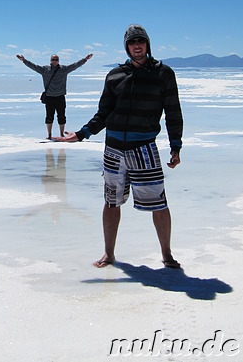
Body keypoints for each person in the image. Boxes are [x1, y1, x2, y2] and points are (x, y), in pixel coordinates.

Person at [57, 24, 183, 269]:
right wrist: (82, 134)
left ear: (147, 45)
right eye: (132, 42)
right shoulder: (115, 76)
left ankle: (166, 254)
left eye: (141, 41)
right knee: (111, 201)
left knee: (158, 202)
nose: (137, 45)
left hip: (144, 148)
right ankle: (109, 254)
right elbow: (103, 113)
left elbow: (173, 112)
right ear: (127, 46)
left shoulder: (163, 74)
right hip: (114, 150)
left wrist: (175, 146)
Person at [16, 52, 93, 139]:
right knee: (49, 116)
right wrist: (24, 60)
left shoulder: (63, 69)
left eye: (56, 59)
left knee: (62, 116)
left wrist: (85, 59)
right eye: (53, 59)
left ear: (58, 61)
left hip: (60, 97)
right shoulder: (45, 70)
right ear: (50, 60)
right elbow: (34, 66)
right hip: (49, 97)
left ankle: (61, 134)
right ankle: (49, 135)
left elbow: (75, 65)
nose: (55, 61)